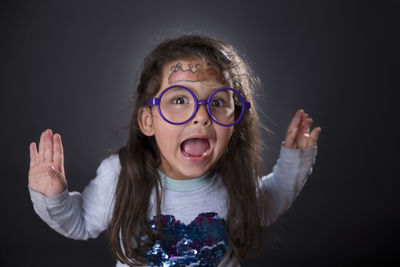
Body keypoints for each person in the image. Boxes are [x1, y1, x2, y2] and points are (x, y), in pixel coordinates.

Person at [28, 35, 321, 267]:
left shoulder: (233, 180)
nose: (201, 116)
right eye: (180, 100)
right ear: (148, 121)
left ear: (234, 121)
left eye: (218, 102)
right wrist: (53, 198)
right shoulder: (119, 175)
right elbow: (79, 223)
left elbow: (270, 202)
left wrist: (294, 160)